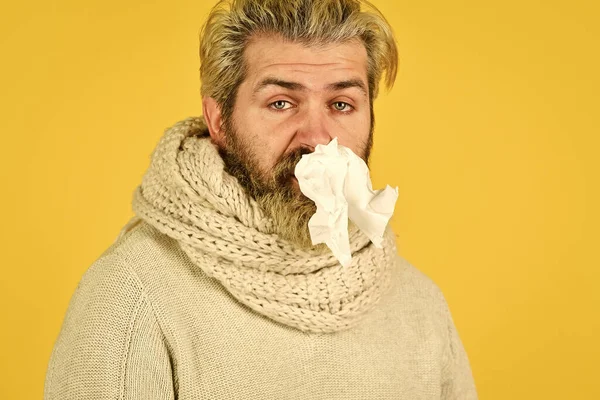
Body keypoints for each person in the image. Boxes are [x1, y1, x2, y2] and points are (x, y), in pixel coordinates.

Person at [44, 0, 478, 399]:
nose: (317, 138)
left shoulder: (420, 305)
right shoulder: (132, 297)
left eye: (342, 104)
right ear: (218, 120)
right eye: (281, 102)